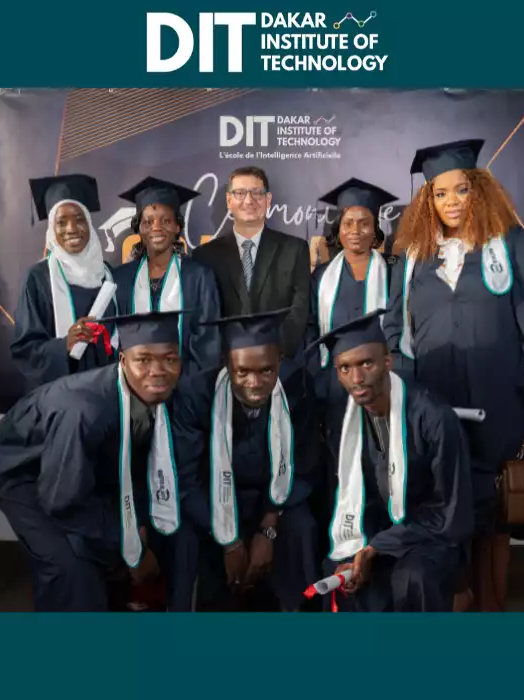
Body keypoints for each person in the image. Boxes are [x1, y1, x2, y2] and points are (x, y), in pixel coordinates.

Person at [384, 139, 524, 610]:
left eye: (461, 190)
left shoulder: (511, 244)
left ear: (479, 191)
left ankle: (492, 607)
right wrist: (406, 396)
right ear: (428, 201)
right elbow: (396, 330)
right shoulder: (415, 254)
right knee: (443, 506)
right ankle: (455, 600)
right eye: (440, 194)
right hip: (435, 405)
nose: (452, 202)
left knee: (495, 510)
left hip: (500, 402)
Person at [0, 310, 198, 612]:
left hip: (76, 461)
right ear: (122, 361)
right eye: (143, 360)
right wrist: (131, 549)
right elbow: (62, 500)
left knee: (146, 538)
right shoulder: (85, 411)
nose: (158, 370)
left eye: (169, 359)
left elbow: (138, 464)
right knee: (69, 565)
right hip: (18, 469)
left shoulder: (164, 393)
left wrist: (139, 525)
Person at [307, 310, 474, 612]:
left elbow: (448, 512)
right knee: (340, 572)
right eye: (345, 368)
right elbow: (358, 501)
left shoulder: (433, 418)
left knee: (411, 577)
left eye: (366, 363)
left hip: (431, 537)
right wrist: (358, 552)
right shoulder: (346, 425)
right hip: (377, 530)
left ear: (387, 362)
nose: (356, 378)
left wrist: (377, 547)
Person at [171, 309, 320, 612]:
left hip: (277, 500)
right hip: (213, 503)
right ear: (227, 363)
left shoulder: (296, 386)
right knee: (184, 538)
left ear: (279, 360)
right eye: (243, 372)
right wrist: (230, 540)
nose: (255, 382)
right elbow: (185, 478)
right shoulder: (196, 394)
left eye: (266, 370)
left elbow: (304, 464)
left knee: (302, 526)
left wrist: (269, 524)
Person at [307, 178, 398, 507]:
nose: (356, 231)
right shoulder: (320, 279)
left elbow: (402, 326)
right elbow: (309, 331)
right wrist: (320, 381)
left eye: (364, 223)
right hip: (335, 389)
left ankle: (383, 548)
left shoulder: (394, 272)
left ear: (376, 230)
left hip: (385, 386)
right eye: (348, 223)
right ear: (338, 229)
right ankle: (343, 550)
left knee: (386, 468)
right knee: (340, 471)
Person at [191, 166, 311, 363]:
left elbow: (299, 311)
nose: (249, 200)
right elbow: (204, 319)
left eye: (257, 193)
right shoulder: (205, 256)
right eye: (240, 193)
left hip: (280, 367)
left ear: (268, 200)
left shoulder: (295, 249)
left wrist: (269, 354)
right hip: (224, 369)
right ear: (229, 201)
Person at [11, 174, 119, 392]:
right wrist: (64, 345)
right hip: (60, 397)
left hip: (107, 390)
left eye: (79, 219)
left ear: (89, 223)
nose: (71, 229)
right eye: (61, 222)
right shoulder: (39, 278)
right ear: (52, 230)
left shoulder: (107, 274)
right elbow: (25, 350)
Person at [114, 175, 222, 375]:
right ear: (138, 228)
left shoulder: (199, 277)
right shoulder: (120, 279)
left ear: (177, 227)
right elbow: (113, 341)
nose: (156, 228)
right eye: (148, 222)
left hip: (186, 388)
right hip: (131, 387)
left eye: (166, 221)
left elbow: (208, 343)